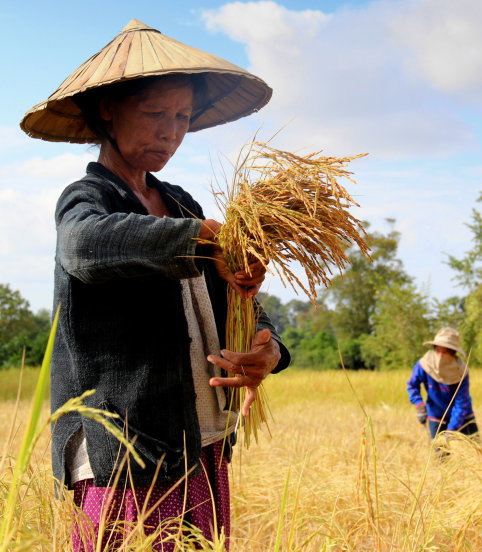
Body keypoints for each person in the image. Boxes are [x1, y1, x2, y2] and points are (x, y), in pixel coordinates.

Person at [21, 19, 289, 552]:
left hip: (200, 442)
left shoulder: (184, 203)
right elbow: (83, 246)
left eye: (182, 117)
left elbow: (230, 300)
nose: (170, 131)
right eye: (154, 114)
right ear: (108, 110)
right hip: (127, 449)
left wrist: (268, 348)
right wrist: (198, 238)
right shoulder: (87, 200)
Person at [406, 327, 479, 449]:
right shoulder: (424, 365)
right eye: (438, 350)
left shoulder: (461, 371)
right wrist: (419, 405)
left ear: (452, 353)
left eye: (445, 352)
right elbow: (412, 385)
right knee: (441, 455)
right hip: (436, 414)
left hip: (463, 415)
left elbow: (461, 403)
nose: (440, 355)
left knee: (476, 452)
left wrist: (451, 431)